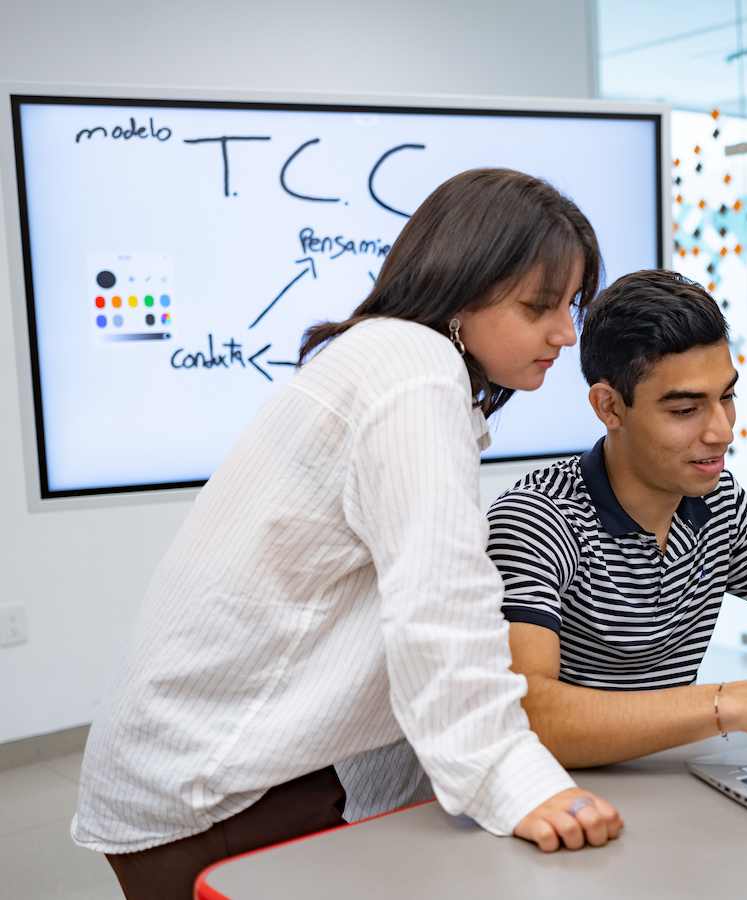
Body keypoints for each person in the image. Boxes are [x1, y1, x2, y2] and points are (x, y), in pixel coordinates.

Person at [71, 168, 623, 900]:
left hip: (205, 758)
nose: (565, 333)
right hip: (210, 783)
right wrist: (507, 775)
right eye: (538, 306)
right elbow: (439, 603)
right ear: (461, 288)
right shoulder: (414, 370)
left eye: (571, 306)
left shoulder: (389, 358)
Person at [485, 270, 747, 768]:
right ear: (609, 406)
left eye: (726, 397)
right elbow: (531, 715)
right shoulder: (536, 519)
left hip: (668, 785)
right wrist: (738, 702)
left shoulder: (722, 505)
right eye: (686, 409)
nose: (722, 431)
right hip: (558, 806)